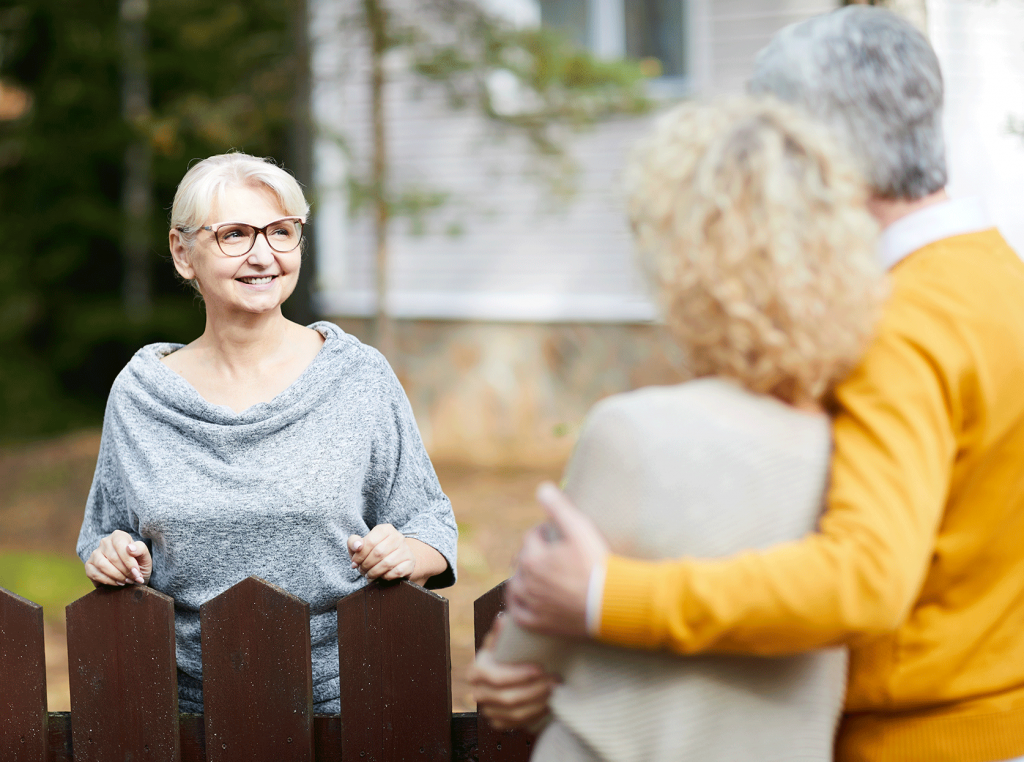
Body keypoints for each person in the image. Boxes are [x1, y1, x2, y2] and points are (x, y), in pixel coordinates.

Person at [479, 7, 1024, 762]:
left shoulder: (895, 326)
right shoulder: (999, 277)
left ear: (823, 152)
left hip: (916, 742)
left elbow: (867, 576)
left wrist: (606, 598)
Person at [475, 96, 885, 762]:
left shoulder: (635, 434)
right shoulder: (864, 446)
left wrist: (503, 668)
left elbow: (516, 668)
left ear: (681, 255)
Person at [77, 152, 458, 714]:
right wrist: (109, 556)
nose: (263, 255)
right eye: (235, 234)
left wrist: (406, 552)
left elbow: (432, 524)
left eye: (282, 232)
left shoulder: (357, 376)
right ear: (183, 253)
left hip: (347, 706)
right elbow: (103, 536)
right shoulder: (142, 394)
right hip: (182, 714)